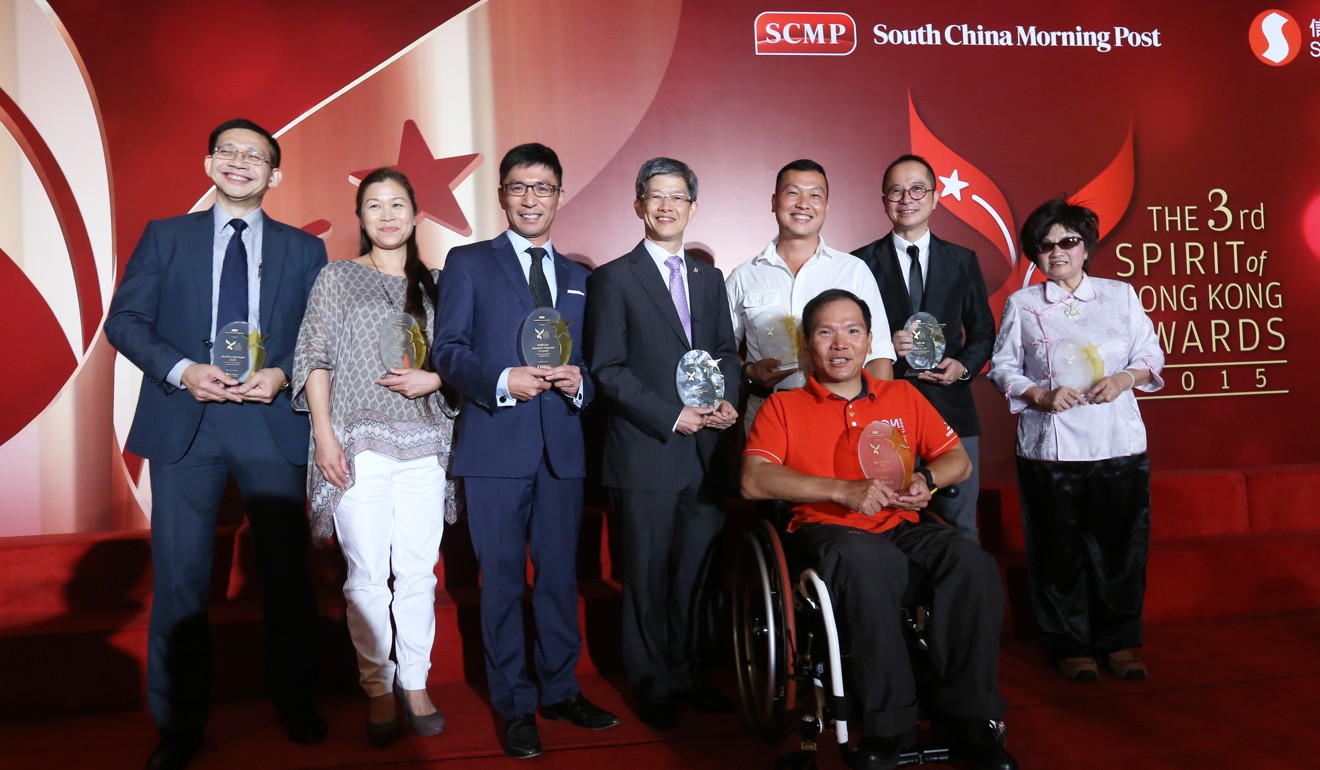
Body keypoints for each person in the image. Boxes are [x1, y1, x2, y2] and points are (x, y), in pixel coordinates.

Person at [105, 118, 327, 770]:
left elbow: (318, 333)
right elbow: (125, 319)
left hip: (269, 422)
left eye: (254, 155)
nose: (239, 162)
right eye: (227, 151)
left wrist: (284, 372)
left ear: (274, 174)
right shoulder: (165, 237)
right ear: (208, 164)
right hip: (187, 423)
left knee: (286, 577)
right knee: (180, 583)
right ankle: (178, 728)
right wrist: (181, 370)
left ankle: (295, 703)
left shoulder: (303, 249)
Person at [742, 289, 1017, 770]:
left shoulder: (901, 395)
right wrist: (841, 491)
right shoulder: (785, 407)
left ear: (870, 342)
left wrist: (925, 479)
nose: (840, 344)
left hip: (900, 524)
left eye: (852, 331)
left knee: (971, 562)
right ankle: (891, 725)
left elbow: (958, 462)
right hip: (829, 532)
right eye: (826, 332)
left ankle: (969, 717)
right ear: (807, 346)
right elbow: (752, 480)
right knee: (869, 561)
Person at [433, 143, 619, 759]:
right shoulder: (468, 262)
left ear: (560, 195)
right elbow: (449, 351)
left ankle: (561, 690)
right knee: (504, 582)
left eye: (542, 187)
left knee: (561, 578)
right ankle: (515, 703)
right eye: (518, 187)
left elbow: (594, 363)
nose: (530, 197)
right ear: (502, 196)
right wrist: (500, 382)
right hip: (494, 447)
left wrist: (581, 383)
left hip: (562, 450)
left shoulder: (581, 279)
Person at [292, 168, 458, 746]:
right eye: (373, 206)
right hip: (356, 441)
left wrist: (432, 379)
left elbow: (455, 361)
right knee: (366, 576)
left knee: (417, 571)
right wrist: (323, 434)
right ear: (360, 218)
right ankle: (378, 688)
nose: (387, 215)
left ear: (416, 214)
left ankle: (415, 682)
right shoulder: (337, 278)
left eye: (397, 205)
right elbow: (314, 356)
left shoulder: (438, 283)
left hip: (424, 444)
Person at [584, 157, 740, 729]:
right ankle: (651, 685)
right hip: (646, 450)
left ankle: (688, 674)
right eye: (656, 196)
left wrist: (729, 398)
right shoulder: (613, 278)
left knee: (694, 574)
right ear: (638, 205)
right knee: (646, 577)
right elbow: (608, 367)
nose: (667, 206)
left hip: (705, 456)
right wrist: (671, 415)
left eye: (678, 197)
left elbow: (725, 350)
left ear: (693, 207)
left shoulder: (708, 278)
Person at [987, 198, 1164, 682]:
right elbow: (1002, 368)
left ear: (1086, 247)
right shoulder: (1022, 305)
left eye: (1068, 242)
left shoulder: (1120, 295)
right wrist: (1039, 395)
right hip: (1049, 449)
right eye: (1044, 246)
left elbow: (1151, 353)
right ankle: (1069, 645)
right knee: (1056, 553)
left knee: (1121, 552)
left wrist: (1125, 379)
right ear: (1034, 256)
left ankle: (1120, 643)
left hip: (1119, 445)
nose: (1057, 253)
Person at [852, 154, 996, 543]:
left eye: (918, 189)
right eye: (896, 191)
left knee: (961, 526)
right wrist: (880, 344)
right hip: (884, 412)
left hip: (951, 410)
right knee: (885, 523)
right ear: (884, 201)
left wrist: (962, 367)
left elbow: (983, 332)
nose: (907, 199)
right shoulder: (859, 264)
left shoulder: (963, 261)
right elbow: (844, 340)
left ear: (934, 198)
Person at [727, 159, 895, 432]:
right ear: (773, 201)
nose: (803, 203)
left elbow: (880, 355)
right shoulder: (743, 276)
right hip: (768, 416)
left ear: (826, 206)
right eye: (792, 193)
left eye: (815, 195)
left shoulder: (853, 270)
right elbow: (721, 351)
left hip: (843, 415)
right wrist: (748, 374)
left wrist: (876, 421)